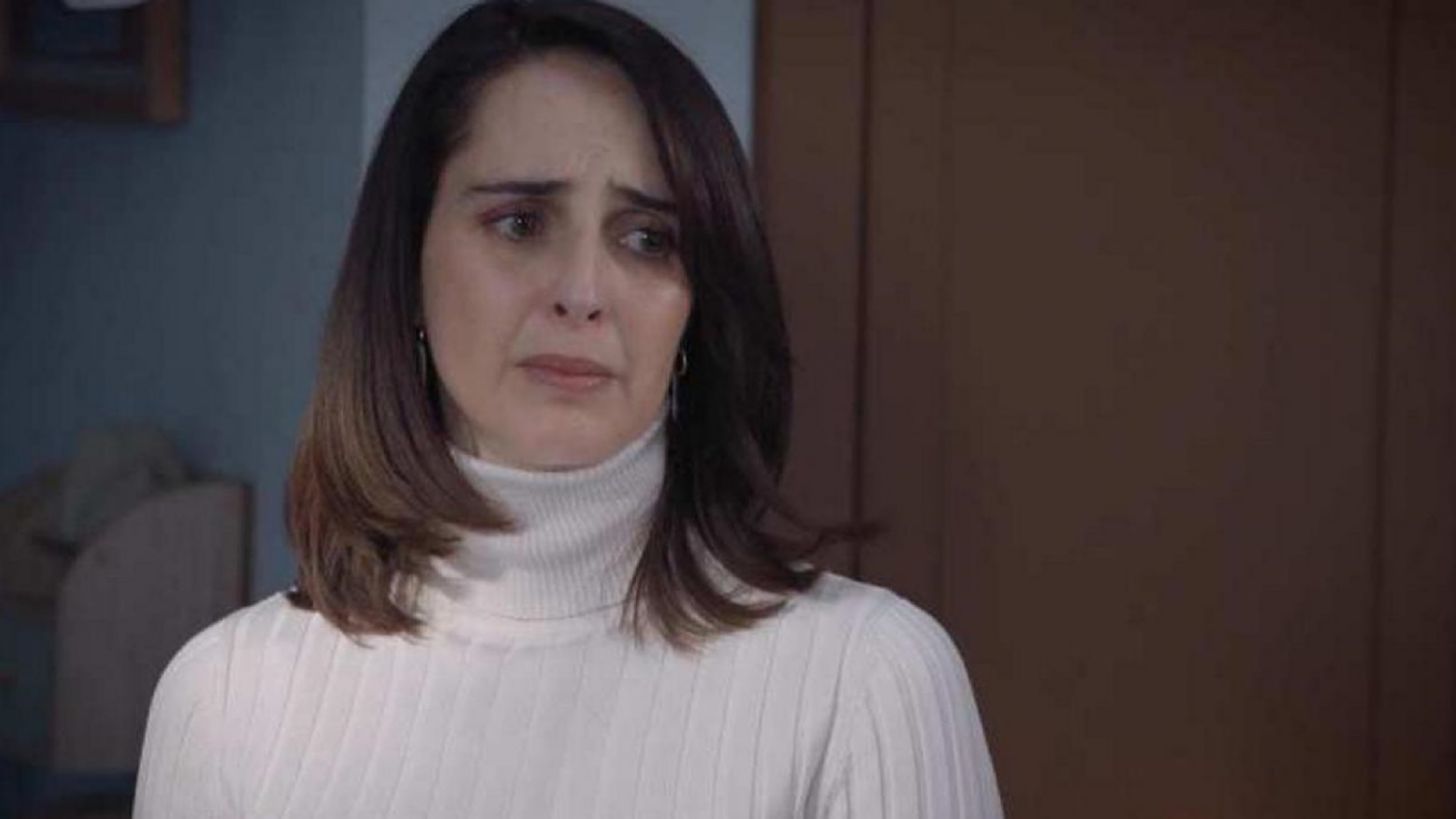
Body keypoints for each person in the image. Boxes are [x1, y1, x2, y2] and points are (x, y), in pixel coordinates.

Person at [133, 1, 1004, 816]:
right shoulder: (225, 699)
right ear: (407, 264)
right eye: (521, 223)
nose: (584, 292)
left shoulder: (868, 679)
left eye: (648, 239)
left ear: (696, 304)